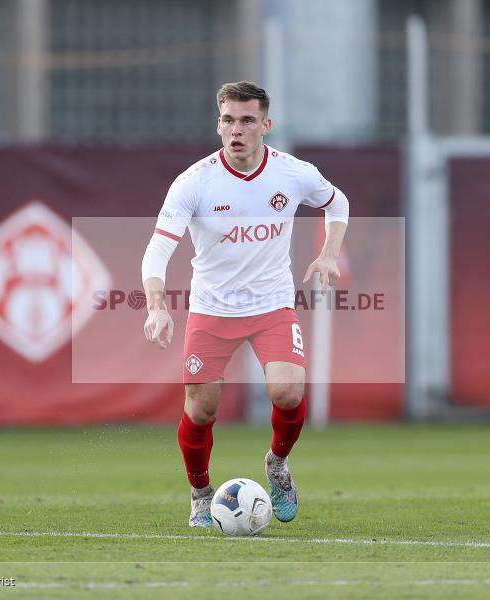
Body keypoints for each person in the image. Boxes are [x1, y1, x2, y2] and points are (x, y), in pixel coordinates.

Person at [140, 81, 349, 527]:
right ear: (218, 125)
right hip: (212, 308)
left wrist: (329, 253)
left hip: (272, 303)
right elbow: (157, 250)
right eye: (228, 120)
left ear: (266, 126)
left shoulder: (292, 174)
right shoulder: (194, 183)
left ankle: (277, 464)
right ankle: (200, 494)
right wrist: (157, 305)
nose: (237, 130)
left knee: (288, 392)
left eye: (247, 120)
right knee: (201, 410)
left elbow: (337, 202)